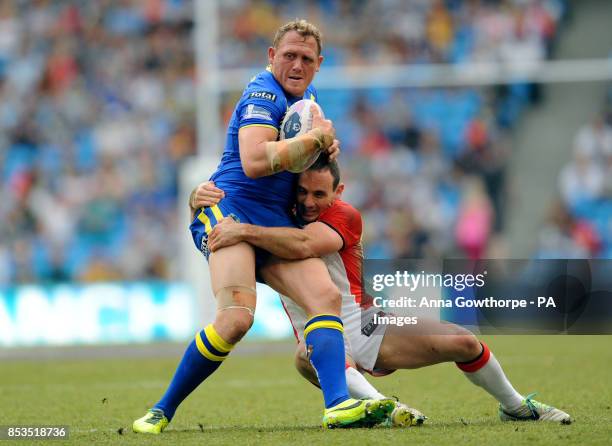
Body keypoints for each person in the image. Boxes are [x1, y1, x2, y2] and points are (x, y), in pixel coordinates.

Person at [133, 19, 394, 435]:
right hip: (229, 210)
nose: (296, 64)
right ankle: (161, 410)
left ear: (319, 64)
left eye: (306, 58)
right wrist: (315, 140)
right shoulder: (262, 93)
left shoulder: (307, 99)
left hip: (272, 220)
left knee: (324, 295)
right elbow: (255, 163)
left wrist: (324, 145)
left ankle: (338, 406)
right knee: (236, 319)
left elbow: (312, 160)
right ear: (272, 56)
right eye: (288, 55)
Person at [197, 155, 572, 425]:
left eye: (319, 194)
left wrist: (245, 231)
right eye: (303, 192)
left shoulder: (344, 215)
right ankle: (387, 408)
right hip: (320, 339)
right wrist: (195, 197)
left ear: (338, 191)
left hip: (366, 324)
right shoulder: (278, 213)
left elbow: (303, 245)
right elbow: (227, 193)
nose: (309, 202)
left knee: (465, 342)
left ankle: (515, 405)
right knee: (303, 355)